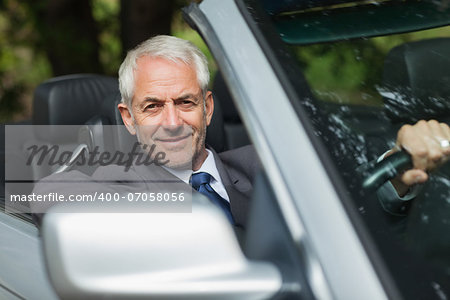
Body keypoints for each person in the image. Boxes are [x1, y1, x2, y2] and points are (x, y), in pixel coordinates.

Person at [32, 35, 450, 232]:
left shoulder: (269, 162)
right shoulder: (113, 178)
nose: (173, 122)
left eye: (186, 102)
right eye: (153, 107)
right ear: (127, 118)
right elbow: (47, 197)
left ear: (209, 107)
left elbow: (348, 194)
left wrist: (396, 170)